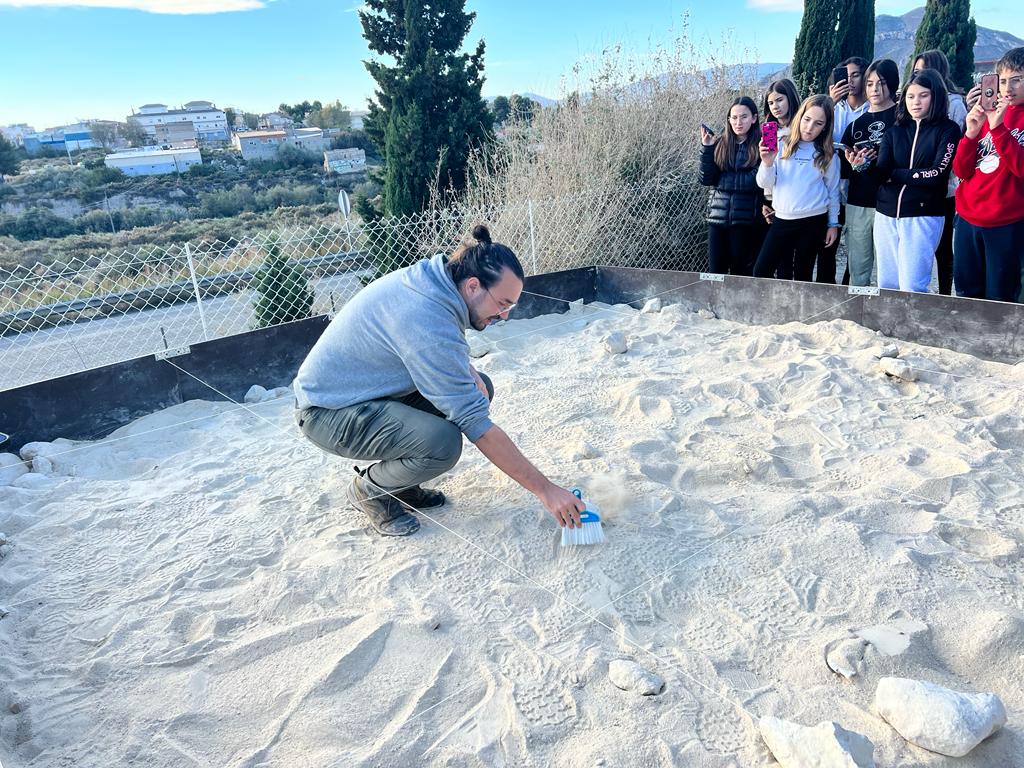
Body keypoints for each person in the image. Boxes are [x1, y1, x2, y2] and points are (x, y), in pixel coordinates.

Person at [292, 225, 585, 536]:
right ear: (473, 286)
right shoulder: (427, 316)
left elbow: (423, 345)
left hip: (365, 392)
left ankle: (402, 485)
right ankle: (370, 490)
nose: (505, 316)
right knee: (442, 443)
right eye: (502, 304)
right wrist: (546, 490)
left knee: (479, 387)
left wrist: (463, 366)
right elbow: (474, 422)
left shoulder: (436, 281)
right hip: (327, 412)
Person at [871, 69, 961, 293]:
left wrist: (896, 174)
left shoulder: (948, 130)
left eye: (923, 95)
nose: (916, 102)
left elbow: (937, 174)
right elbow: (881, 172)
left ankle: (921, 316)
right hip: (885, 214)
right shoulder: (894, 131)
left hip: (923, 214)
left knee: (913, 286)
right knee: (887, 285)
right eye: (910, 96)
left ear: (936, 96)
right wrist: (861, 165)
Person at [952, 47, 1024, 303]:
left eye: (1017, 80)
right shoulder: (986, 112)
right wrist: (971, 134)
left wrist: (999, 129)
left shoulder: (1005, 119)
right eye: (1002, 81)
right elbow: (961, 170)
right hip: (968, 217)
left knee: (1000, 298)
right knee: (966, 293)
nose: (1008, 88)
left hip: (1007, 221)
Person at [754, 94, 840, 282]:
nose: (809, 128)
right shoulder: (778, 141)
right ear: (799, 116)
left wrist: (833, 224)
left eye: (818, 123)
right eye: (807, 119)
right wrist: (767, 163)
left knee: (803, 275)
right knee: (761, 271)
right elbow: (764, 184)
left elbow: (833, 191)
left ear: (825, 126)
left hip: (813, 221)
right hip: (782, 218)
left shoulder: (829, 154)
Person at [912, 49, 969, 295]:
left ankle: (944, 294)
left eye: (924, 70)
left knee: (943, 246)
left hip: (944, 188)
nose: (919, 75)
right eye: (915, 71)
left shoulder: (954, 104)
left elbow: (956, 148)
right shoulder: (912, 101)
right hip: (916, 186)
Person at [840, 59, 900, 286]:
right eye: (870, 83)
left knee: (891, 271)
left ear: (892, 83)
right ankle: (857, 306)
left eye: (881, 83)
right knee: (858, 269)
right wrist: (854, 163)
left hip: (891, 203)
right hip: (858, 202)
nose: (875, 89)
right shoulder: (856, 125)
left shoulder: (903, 119)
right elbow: (843, 169)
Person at [818, 57, 869, 284]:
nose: (849, 81)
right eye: (845, 76)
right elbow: (816, 137)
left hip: (860, 182)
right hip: (831, 184)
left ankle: (850, 287)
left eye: (855, 75)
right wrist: (829, 103)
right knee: (827, 243)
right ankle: (825, 287)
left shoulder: (873, 108)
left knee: (857, 244)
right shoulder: (831, 108)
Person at [699, 96, 763, 275]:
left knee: (740, 274)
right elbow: (706, 179)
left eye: (743, 117)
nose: (738, 122)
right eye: (734, 118)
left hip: (746, 221)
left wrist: (722, 180)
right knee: (715, 273)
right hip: (717, 219)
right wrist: (707, 148)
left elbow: (757, 180)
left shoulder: (762, 143)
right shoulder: (719, 143)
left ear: (754, 118)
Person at [760, 78, 800, 226]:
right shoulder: (769, 130)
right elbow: (767, 166)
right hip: (775, 199)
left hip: (800, 196)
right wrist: (766, 202)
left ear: (790, 98)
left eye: (779, 100)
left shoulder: (803, 128)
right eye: (770, 103)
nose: (775, 106)